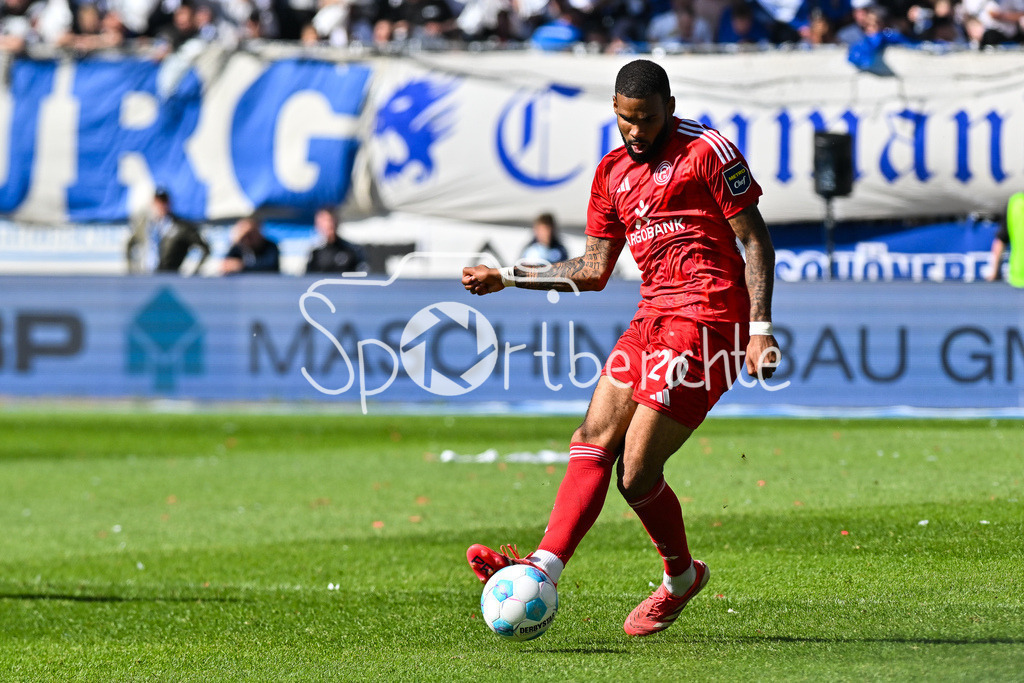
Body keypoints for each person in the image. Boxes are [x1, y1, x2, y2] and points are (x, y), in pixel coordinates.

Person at [461, 59, 779, 637]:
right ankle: (547, 567)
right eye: (626, 120)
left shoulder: (708, 151)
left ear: (670, 108)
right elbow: (592, 269)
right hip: (652, 316)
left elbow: (754, 239)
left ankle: (674, 578)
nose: (636, 131)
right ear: (614, 109)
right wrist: (507, 276)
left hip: (709, 318)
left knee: (635, 471)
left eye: (648, 120)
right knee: (592, 439)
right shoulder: (611, 174)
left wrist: (760, 329)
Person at [126, 187, 210, 275]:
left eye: (164, 202)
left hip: (170, 278)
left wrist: (193, 272)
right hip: (146, 278)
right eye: (157, 202)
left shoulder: (181, 226)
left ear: (169, 204)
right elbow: (130, 244)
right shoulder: (144, 225)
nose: (160, 206)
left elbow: (204, 248)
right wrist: (132, 269)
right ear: (152, 204)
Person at [305, 207, 368, 273]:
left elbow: (363, 274)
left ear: (336, 222)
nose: (328, 225)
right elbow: (309, 278)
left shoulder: (352, 250)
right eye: (323, 222)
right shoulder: (315, 253)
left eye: (329, 221)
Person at [987, 191, 1024, 286]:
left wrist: (994, 272)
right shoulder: (1015, 202)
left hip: (1018, 277)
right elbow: (1001, 240)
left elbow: (1000, 241)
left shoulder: (1015, 202)